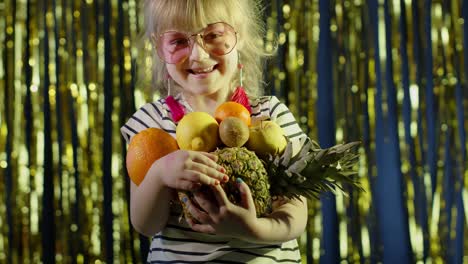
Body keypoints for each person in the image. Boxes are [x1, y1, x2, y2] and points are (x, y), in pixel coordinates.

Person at [120, 0, 308, 262]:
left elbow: (295, 217)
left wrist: (251, 229)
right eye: (178, 41)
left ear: (239, 35)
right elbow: (145, 225)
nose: (198, 55)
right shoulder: (151, 124)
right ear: (159, 46)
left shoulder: (271, 117)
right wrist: (160, 174)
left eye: (214, 35)